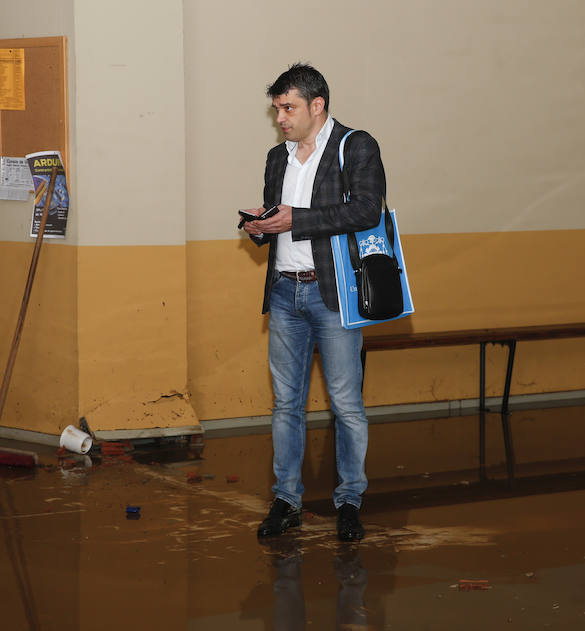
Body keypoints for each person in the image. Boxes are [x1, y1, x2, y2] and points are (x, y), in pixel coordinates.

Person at [241, 63, 386, 541]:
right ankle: (286, 500)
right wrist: (259, 227)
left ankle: (349, 501)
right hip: (284, 291)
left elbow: (368, 210)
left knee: (346, 404)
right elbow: (276, 217)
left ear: (317, 106)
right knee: (286, 404)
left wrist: (294, 221)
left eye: (289, 108)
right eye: (277, 109)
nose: (281, 117)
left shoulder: (355, 146)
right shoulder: (276, 157)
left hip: (333, 294)